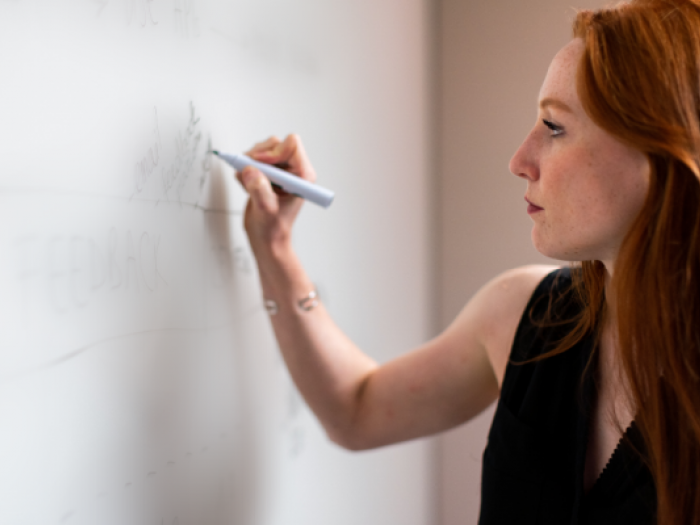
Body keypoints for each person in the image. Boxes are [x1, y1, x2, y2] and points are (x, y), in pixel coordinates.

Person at [233, 0, 700, 523]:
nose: (519, 160)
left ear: (662, 153)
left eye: (554, 126)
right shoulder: (527, 315)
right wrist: (275, 249)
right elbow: (356, 411)